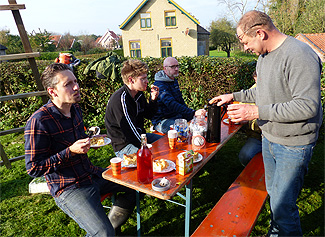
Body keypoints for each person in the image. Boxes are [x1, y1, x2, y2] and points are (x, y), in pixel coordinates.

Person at [209, 10, 322, 236]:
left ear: (260, 33)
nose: (245, 49)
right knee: (274, 195)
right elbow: (263, 92)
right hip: (269, 139)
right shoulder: (264, 57)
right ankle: (276, 231)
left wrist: (256, 111)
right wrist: (234, 96)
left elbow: (308, 106)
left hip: (293, 145)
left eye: (246, 42)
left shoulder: (299, 55)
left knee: (283, 205)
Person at [25, 63, 137, 236]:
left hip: (91, 173)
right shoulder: (39, 121)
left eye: (75, 81)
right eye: (68, 84)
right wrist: (70, 151)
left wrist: (88, 141)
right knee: (103, 233)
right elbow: (33, 168)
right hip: (69, 188)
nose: (76, 87)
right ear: (52, 91)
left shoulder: (75, 108)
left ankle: (111, 225)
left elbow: (78, 141)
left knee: (136, 185)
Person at [105, 59, 162, 158]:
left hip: (140, 136)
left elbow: (149, 115)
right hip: (124, 144)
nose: (147, 81)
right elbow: (129, 131)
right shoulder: (120, 100)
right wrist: (145, 148)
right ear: (131, 80)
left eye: (146, 77)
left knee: (164, 143)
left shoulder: (138, 94)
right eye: (143, 78)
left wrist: (153, 100)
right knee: (150, 159)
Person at [151, 57, 206, 134]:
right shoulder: (159, 85)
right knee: (182, 131)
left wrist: (192, 115)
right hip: (162, 121)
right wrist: (193, 113)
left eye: (177, 66)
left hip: (177, 116)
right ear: (165, 68)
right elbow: (172, 104)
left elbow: (180, 101)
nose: (176, 69)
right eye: (173, 66)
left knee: (199, 123)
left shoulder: (173, 80)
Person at [238, 71, 262, 166]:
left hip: (274, 139)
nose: (257, 85)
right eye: (255, 82)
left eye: (259, 82)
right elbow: (242, 104)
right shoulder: (255, 88)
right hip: (257, 137)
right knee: (245, 156)